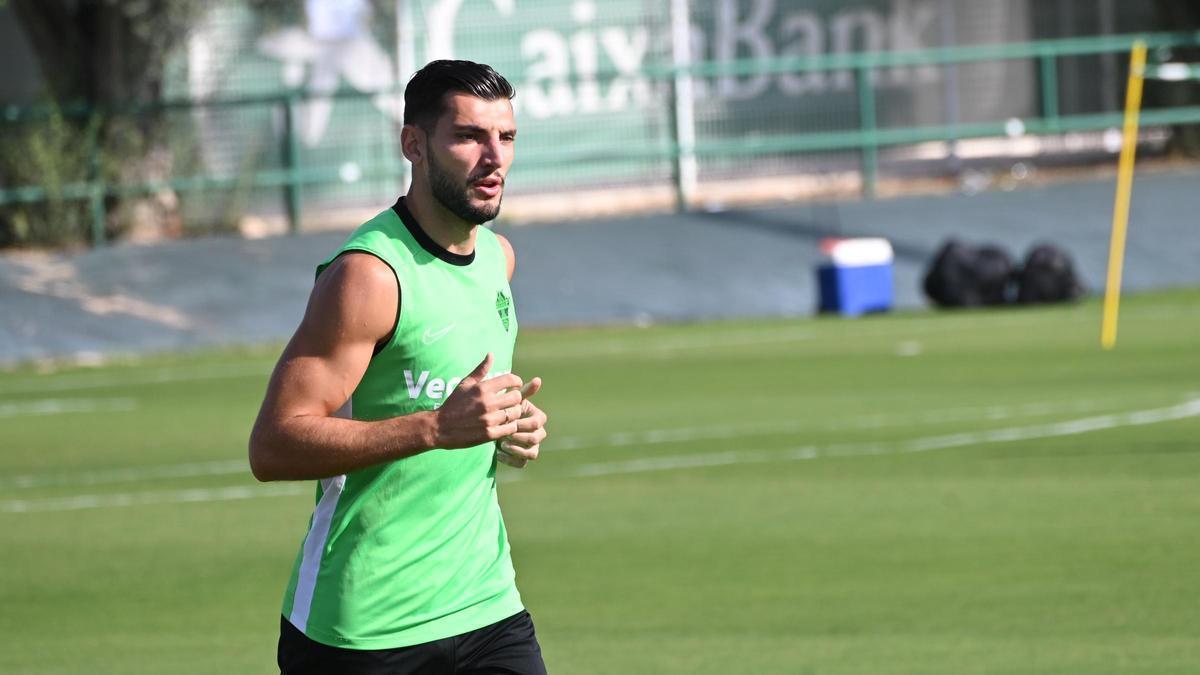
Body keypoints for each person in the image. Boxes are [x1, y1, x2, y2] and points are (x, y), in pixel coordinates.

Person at [249, 59, 549, 674]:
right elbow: (274, 445)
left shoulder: (499, 259)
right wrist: (436, 427)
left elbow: (461, 413)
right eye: (469, 136)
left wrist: (507, 429)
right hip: (365, 630)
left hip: (486, 605)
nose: (495, 157)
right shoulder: (369, 275)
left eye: (507, 137)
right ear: (415, 144)